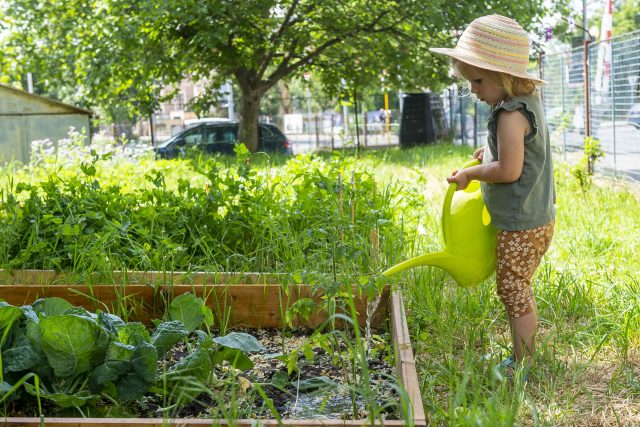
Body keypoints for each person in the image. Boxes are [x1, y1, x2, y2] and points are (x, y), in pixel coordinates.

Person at [430, 14, 556, 375]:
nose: (474, 90)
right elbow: (519, 154)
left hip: (521, 224)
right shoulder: (527, 103)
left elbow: (509, 171)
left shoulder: (509, 115)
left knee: (513, 289)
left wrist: (472, 173)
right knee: (515, 286)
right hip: (537, 217)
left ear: (504, 75)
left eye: (478, 81)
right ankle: (521, 356)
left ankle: (523, 362)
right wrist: (489, 152)